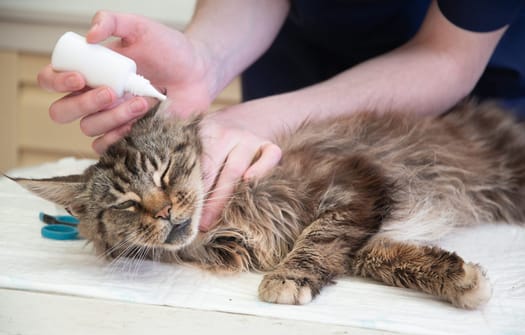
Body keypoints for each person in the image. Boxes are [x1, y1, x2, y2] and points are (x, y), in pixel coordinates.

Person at [37, 0, 525, 230]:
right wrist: (205, 60)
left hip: (465, 129)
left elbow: (447, 55)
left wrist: (267, 119)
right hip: (289, 80)